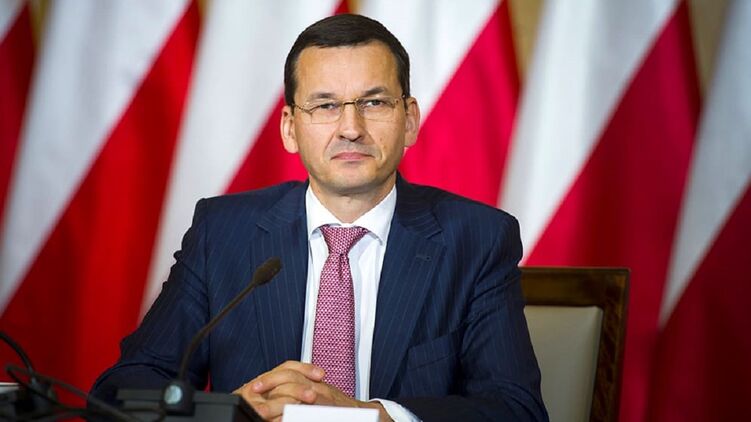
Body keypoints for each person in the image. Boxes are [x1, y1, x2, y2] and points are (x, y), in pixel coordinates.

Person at [90, 14, 548, 422]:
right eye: (326, 105)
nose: (351, 128)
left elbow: (515, 409)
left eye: (373, 103)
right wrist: (228, 413)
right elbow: (124, 389)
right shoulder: (222, 234)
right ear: (290, 128)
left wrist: (371, 416)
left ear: (409, 120)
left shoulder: (477, 239)